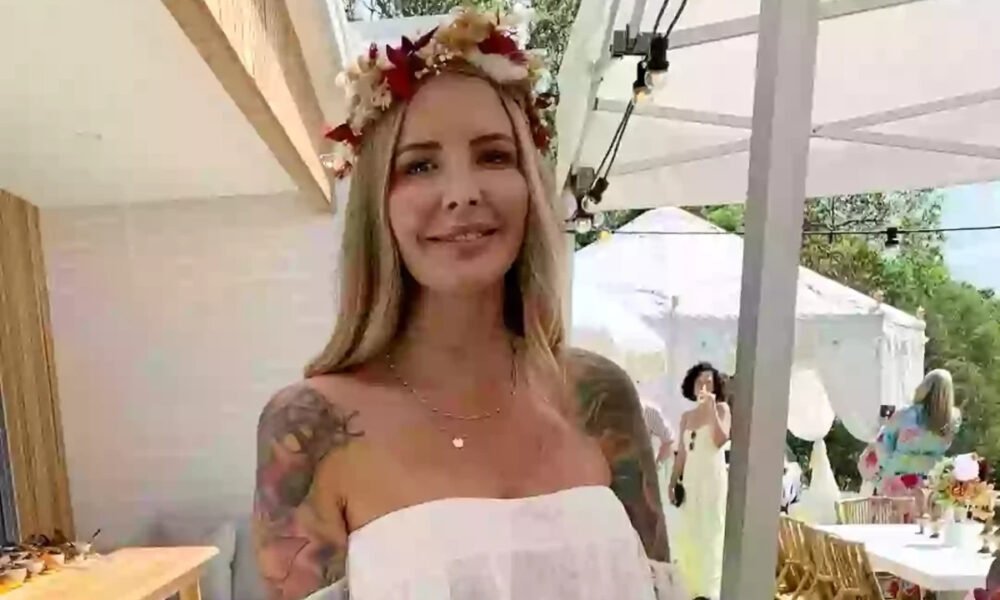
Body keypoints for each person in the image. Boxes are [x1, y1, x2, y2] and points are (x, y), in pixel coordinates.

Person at [251, 9, 674, 600]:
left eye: (494, 156)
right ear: (378, 204)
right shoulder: (309, 427)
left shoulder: (599, 398)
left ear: (530, 185)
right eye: (420, 165)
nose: (462, 193)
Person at [669, 362, 731, 600]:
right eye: (699, 381)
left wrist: (712, 408)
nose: (704, 386)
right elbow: (682, 453)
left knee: (710, 531)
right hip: (691, 481)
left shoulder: (722, 409)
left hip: (712, 480)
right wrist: (673, 481)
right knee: (689, 531)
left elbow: (720, 439)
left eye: (709, 382)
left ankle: (708, 592)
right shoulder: (686, 417)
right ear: (692, 386)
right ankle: (688, 588)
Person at [858, 369, 961, 497]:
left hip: (896, 483)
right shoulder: (952, 420)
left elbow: (883, 444)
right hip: (928, 486)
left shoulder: (906, 414)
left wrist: (887, 468)